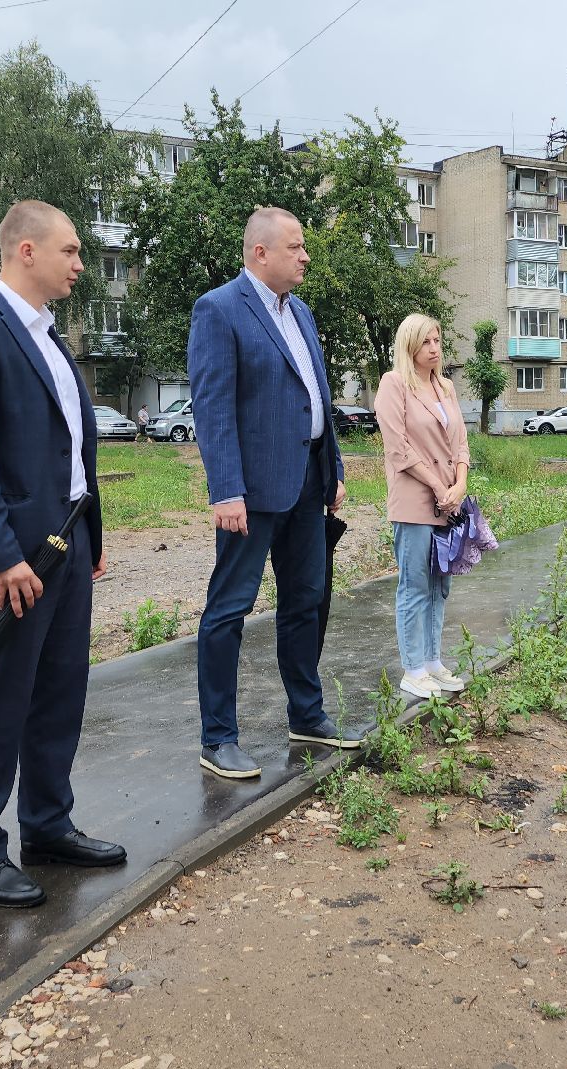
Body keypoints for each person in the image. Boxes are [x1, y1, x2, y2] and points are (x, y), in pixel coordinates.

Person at [0, 200, 124, 907]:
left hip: (64, 547)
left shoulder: (49, 335)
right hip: (10, 561)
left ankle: (48, 825)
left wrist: (88, 538)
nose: (80, 265)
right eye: (71, 252)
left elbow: (69, 449)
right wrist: (3, 557)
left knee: (57, 694)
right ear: (26, 252)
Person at [188, 206, 353, 780]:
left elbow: (317, 399)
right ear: (261, 252)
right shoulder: (219, 310)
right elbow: (212, 408)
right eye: (296, 247)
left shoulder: (300, 313)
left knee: (306, 601)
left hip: (308, 484)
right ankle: (219, 737)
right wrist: (225, 489)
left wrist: (331, 467)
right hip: (251, 494)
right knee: (229, 610)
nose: (305, 256)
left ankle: (307, 715)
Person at [373, 314, 470, 700]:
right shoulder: (393, 384)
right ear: (410, 346)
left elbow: (461, 442)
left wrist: (460, 484)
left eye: (437, 340)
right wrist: (438, 485)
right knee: (414, 585)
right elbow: (398, 449)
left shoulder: (446, 386)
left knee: (439, 586)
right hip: (415, 501)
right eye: (426, 342)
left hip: (448, 502)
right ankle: (412, 668)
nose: (434, 348)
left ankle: (432, 661)